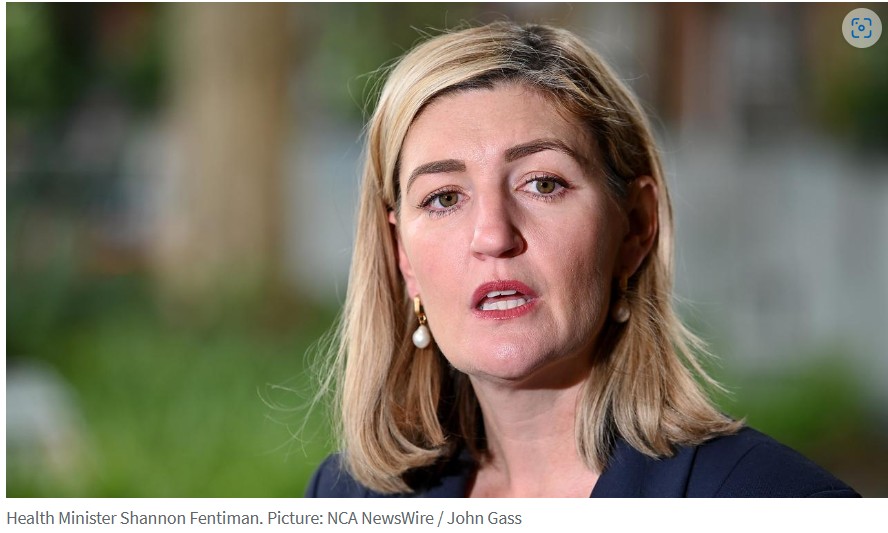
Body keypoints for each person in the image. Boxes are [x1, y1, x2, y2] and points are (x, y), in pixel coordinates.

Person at [305, 21, 859, 498]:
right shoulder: (345, 498)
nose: (493, 236)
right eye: (444, 198)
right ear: (402, 255)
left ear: (635, 227)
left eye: (542, 184)